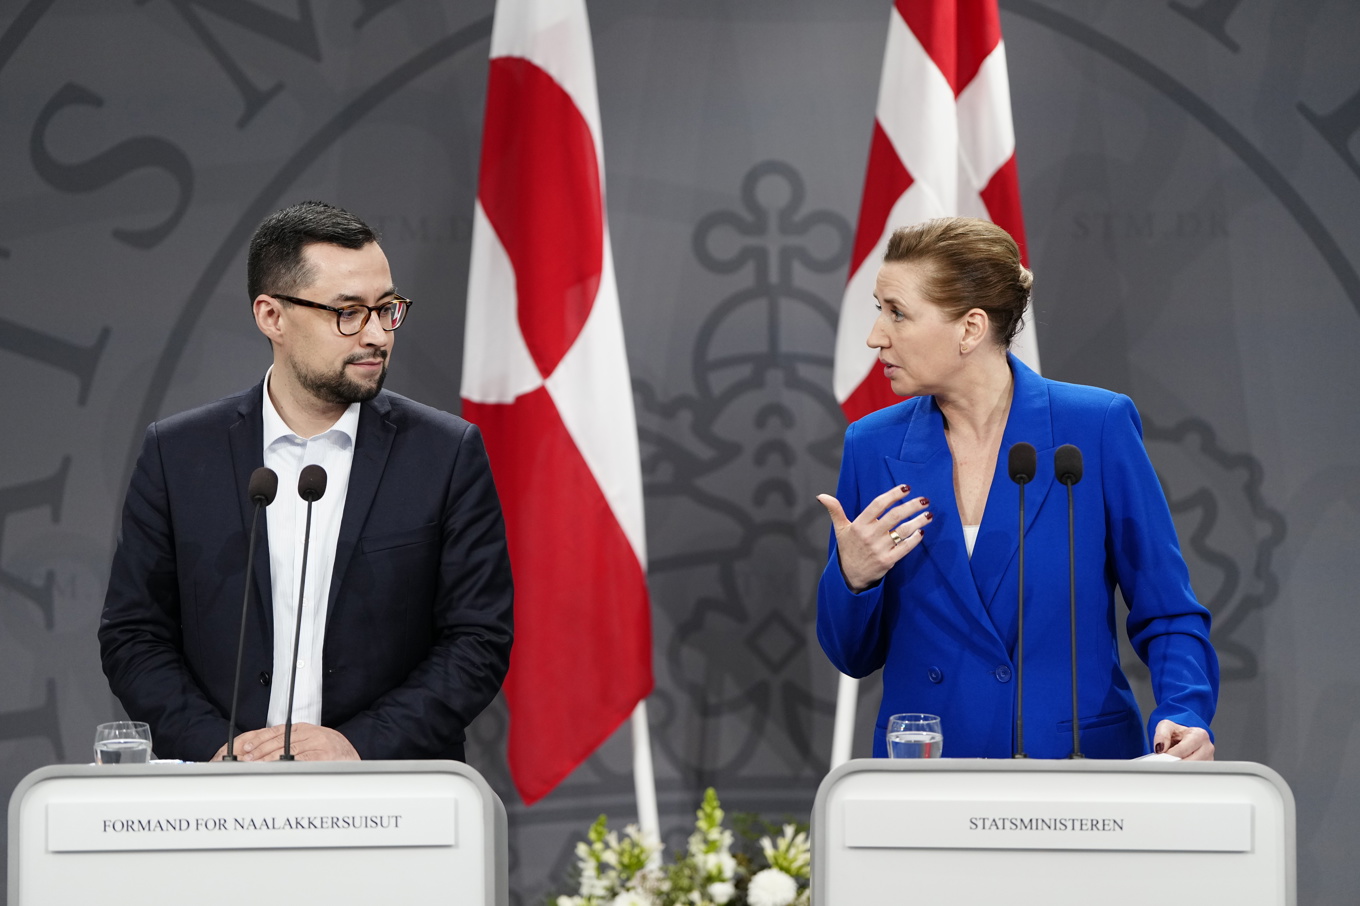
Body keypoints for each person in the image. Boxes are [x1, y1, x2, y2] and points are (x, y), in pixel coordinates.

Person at [99, 201, 514, 762]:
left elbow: (477, 640)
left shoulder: (445, 454)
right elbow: (133, 635)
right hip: (221, 805)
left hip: (387, 800)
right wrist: (219, 750)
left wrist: (356, 745)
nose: (376, 335)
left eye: (386, 308)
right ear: (272, 316)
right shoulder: (177, 455)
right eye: (347, 312)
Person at [816, 217, 1218, 761]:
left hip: (1072, 768)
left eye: (898, 313)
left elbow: (1167, 609)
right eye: (879, 309)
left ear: (970, 328)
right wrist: (853, 579)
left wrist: (1183, 710)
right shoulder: (871, 445)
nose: (875, 336)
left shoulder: (1094, 427)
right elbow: (851, 655)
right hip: (930, 775)